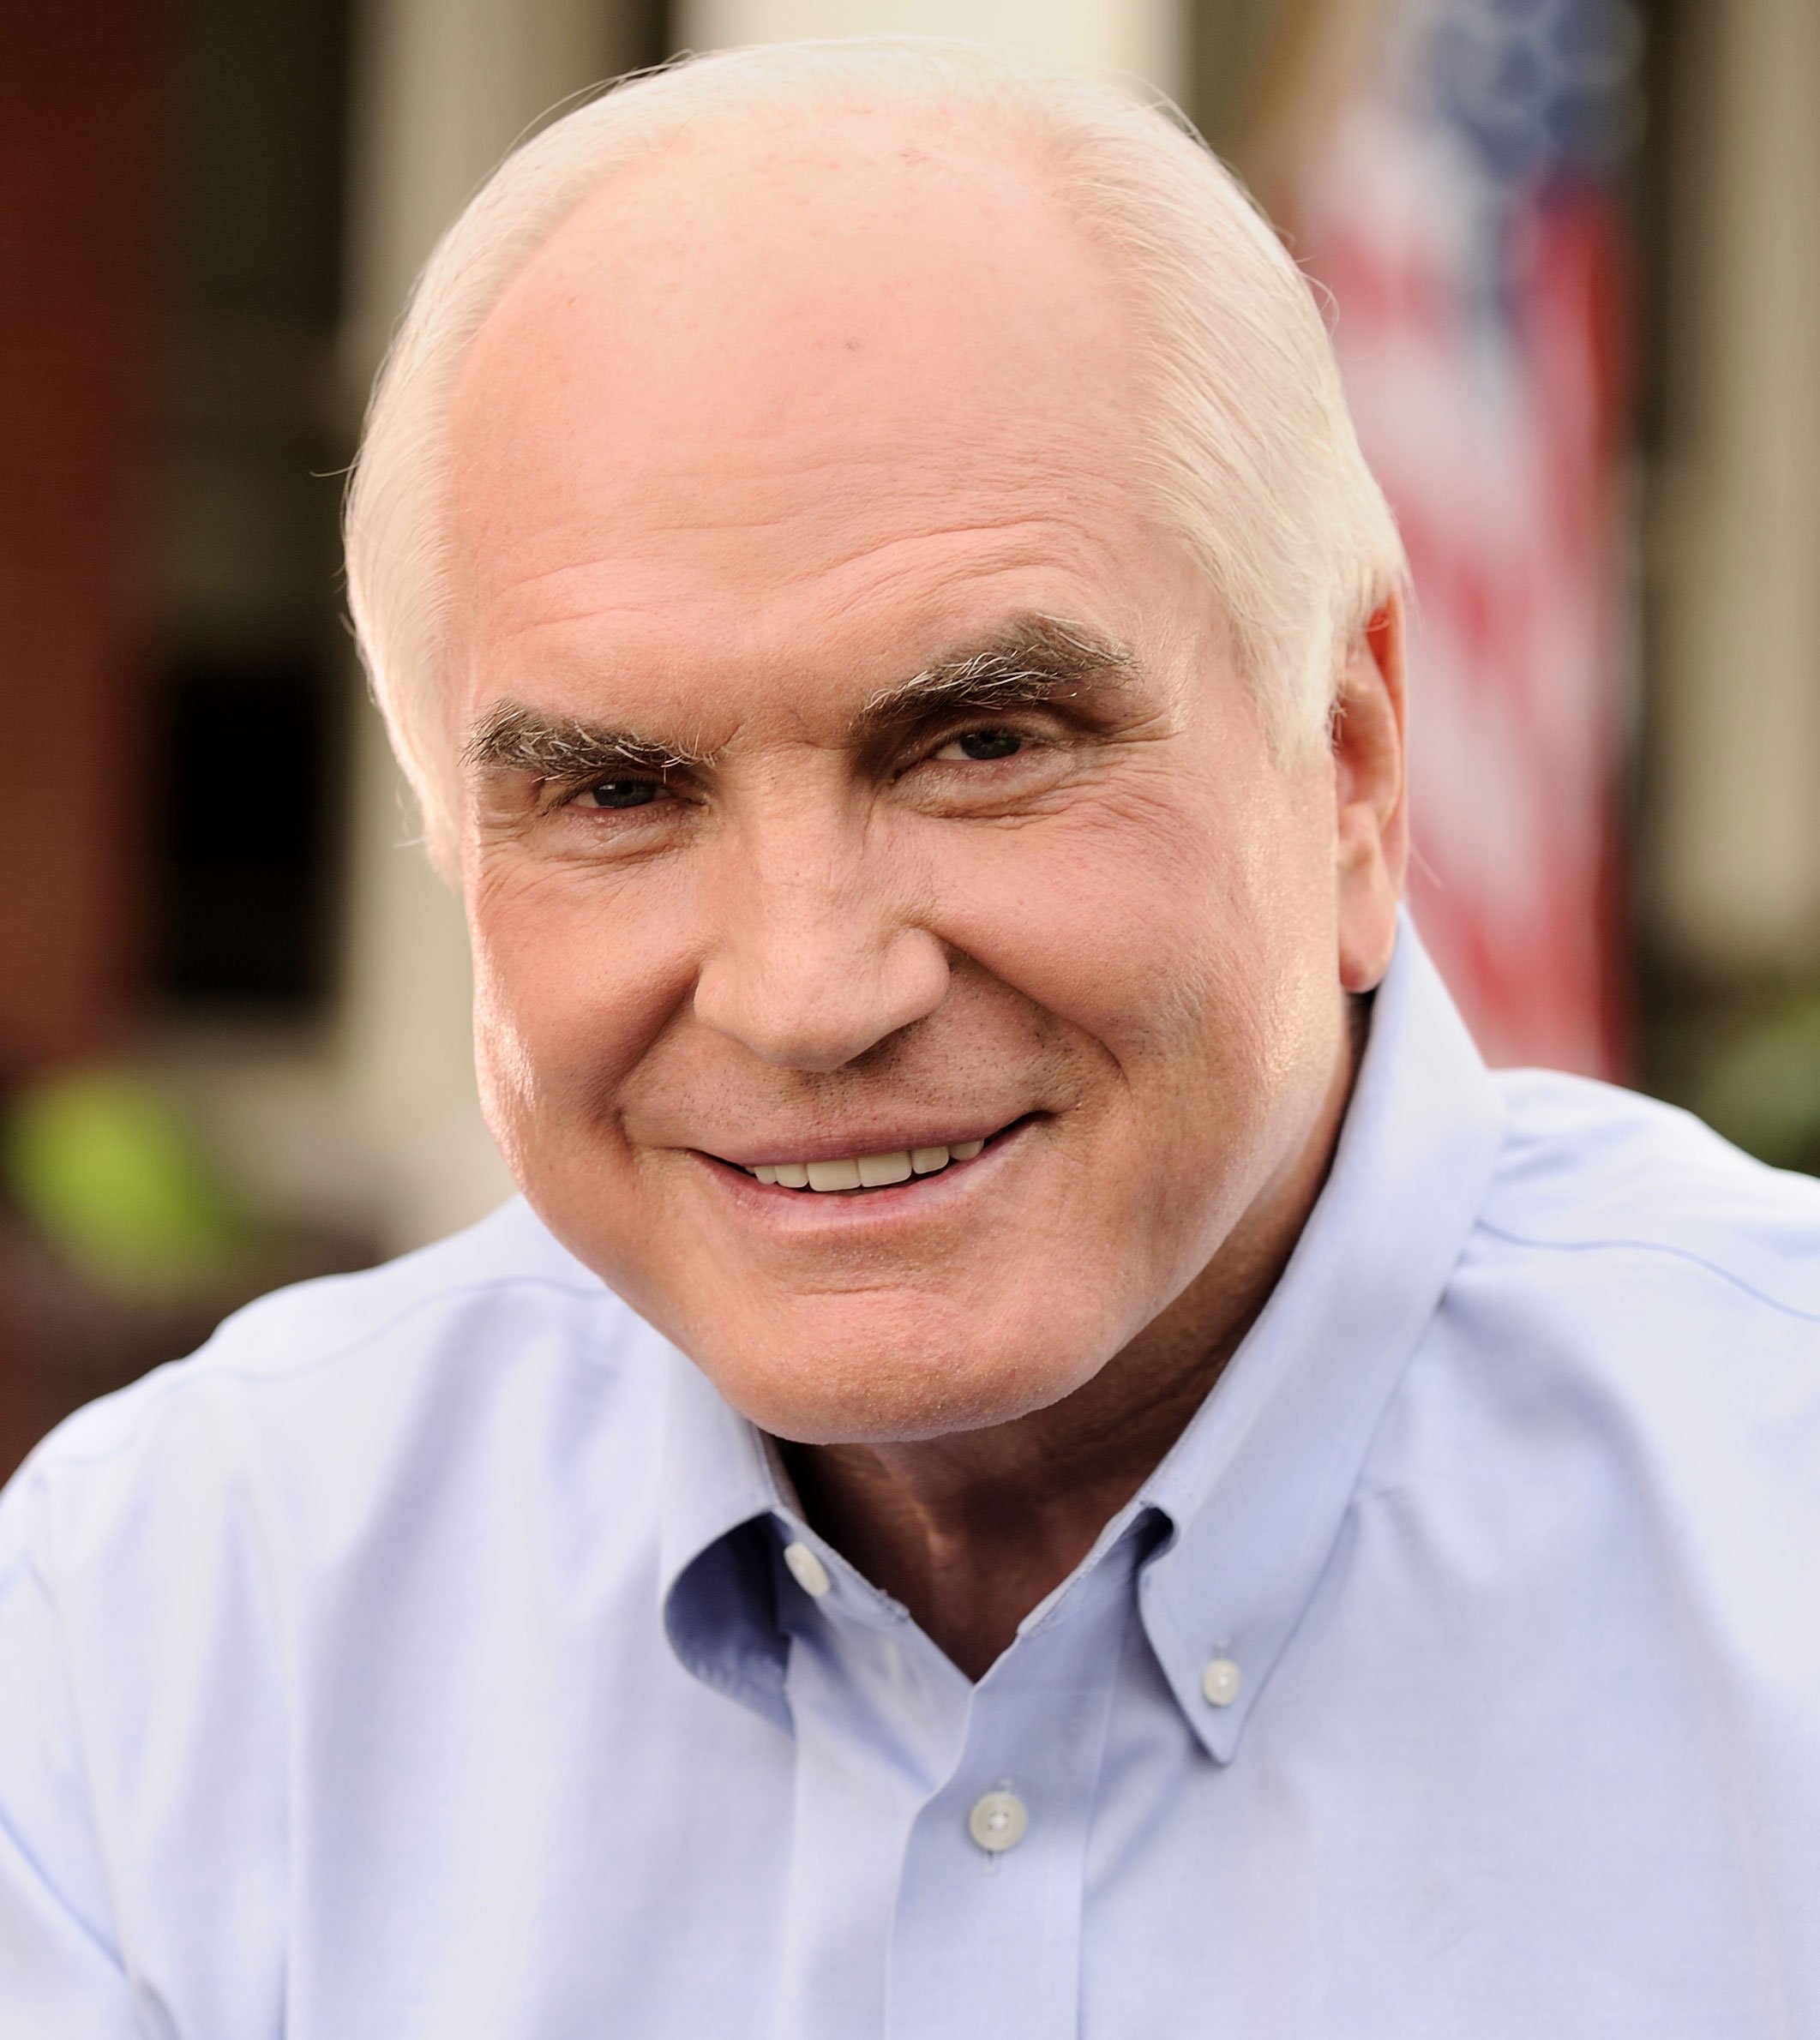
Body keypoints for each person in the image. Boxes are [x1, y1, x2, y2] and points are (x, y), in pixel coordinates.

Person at [3, 39, 1817, 2039]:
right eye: (618, 791)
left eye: (982, 743)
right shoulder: (163, 1629)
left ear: (1352, 760)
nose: (807, 991)